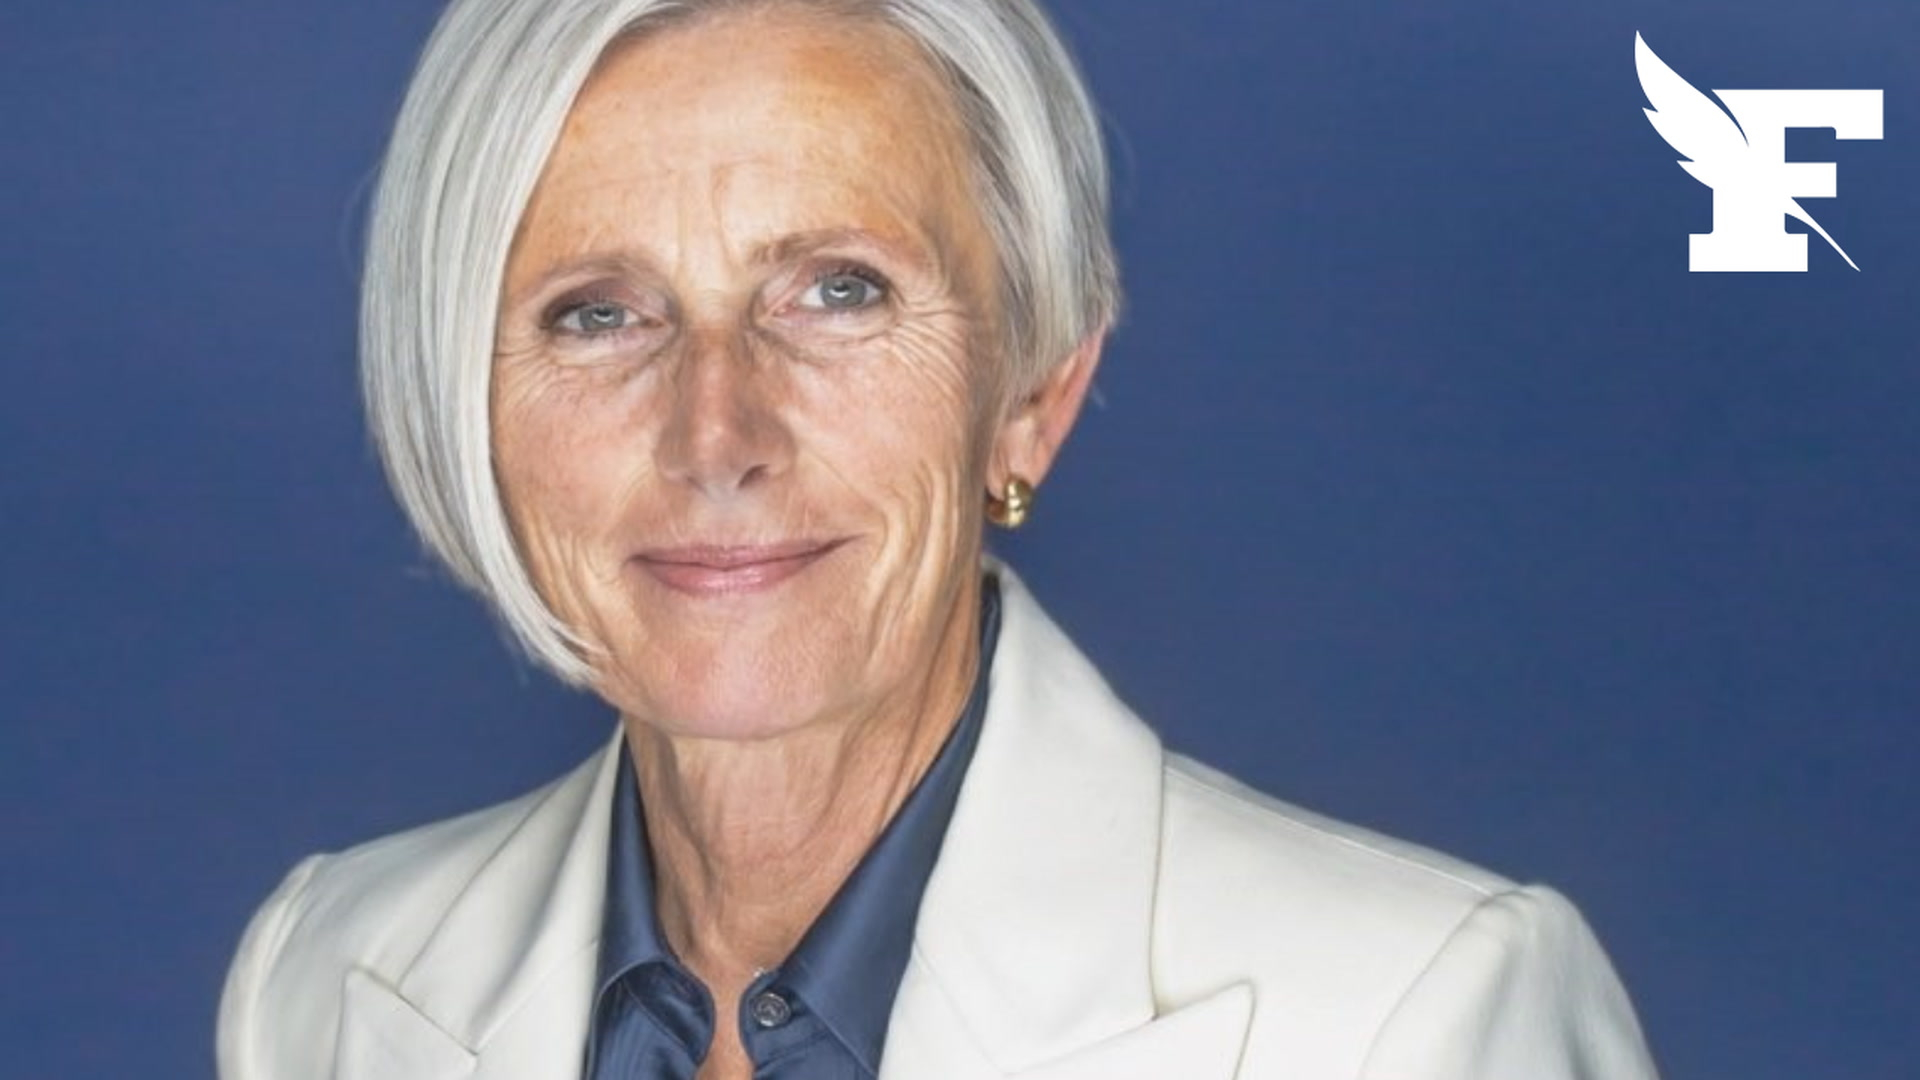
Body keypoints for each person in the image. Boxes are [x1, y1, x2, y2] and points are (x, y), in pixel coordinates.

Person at [217, 1, 1661, 1077]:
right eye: (598, 313)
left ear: (1032, 393)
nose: (716, 434)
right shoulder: (322, 976)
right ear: (465, 406)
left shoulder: (1417, 1018)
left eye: (837, 290)